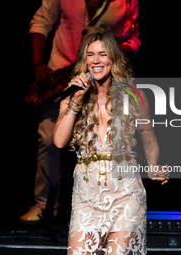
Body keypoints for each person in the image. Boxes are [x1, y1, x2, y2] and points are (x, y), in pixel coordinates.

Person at [20, 0, 142, 224]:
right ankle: (44, 205)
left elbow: (134, 40)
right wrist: (38, 64)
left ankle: (107, 206)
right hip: (61, 74)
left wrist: (111, 53)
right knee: (48, 137)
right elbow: (40, 22)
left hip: (103, 80)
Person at [53, 32, 168, 254]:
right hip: (86, 196)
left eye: (102, 54)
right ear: (84, 61)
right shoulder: (72, 95)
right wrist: (76, 101)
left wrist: (154, 166)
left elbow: (149, 137)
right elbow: (59, 141)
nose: (95, 60)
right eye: (90, 55)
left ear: (113, 59)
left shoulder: (134, 96)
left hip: (126, 194)